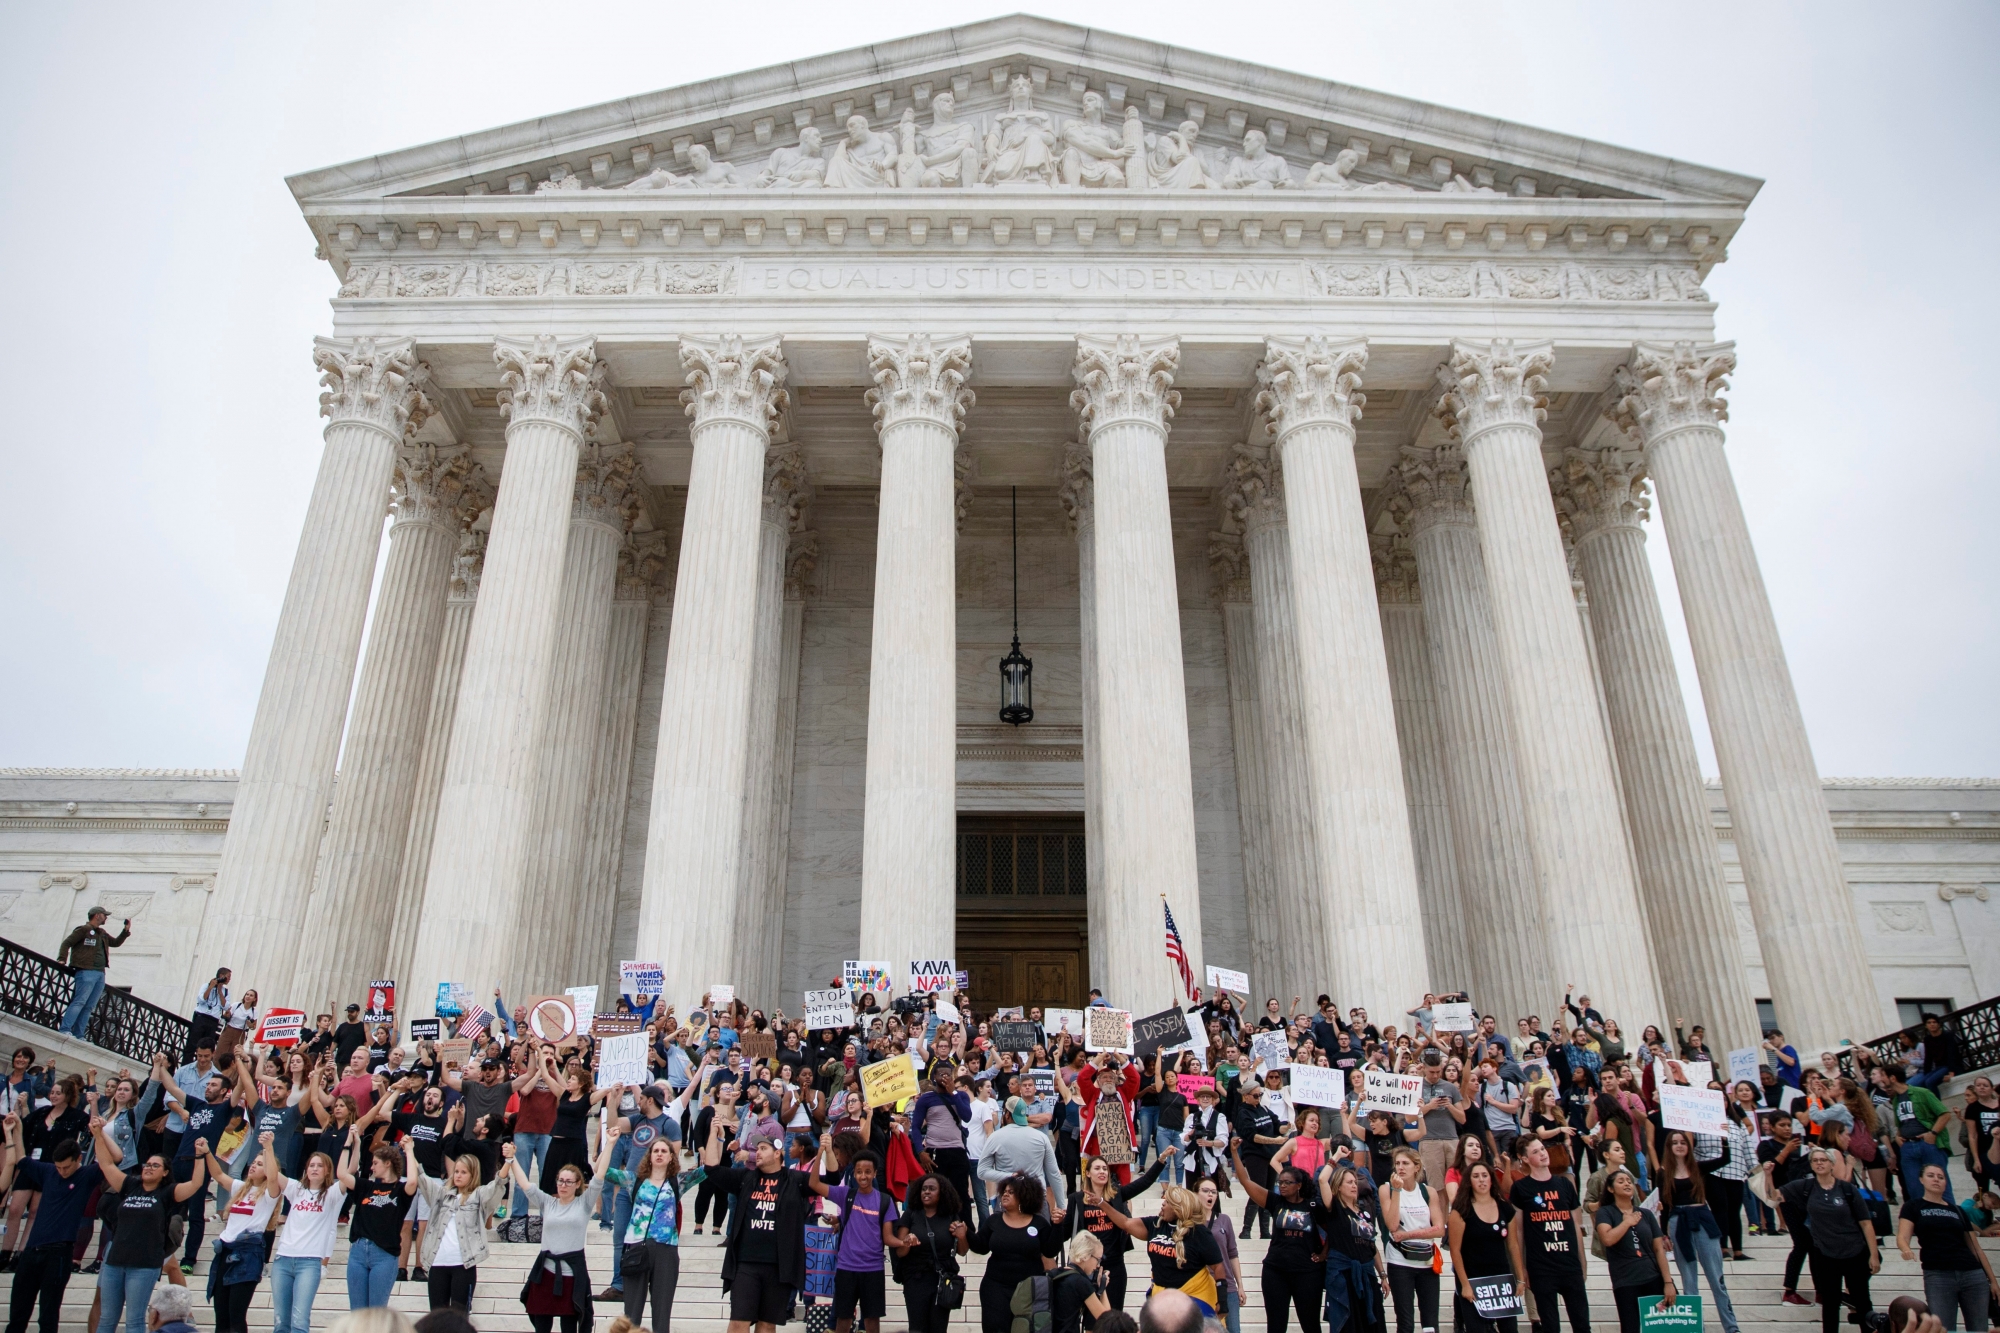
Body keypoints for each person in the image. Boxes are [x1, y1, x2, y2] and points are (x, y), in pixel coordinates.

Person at [699, 1090, 835, 1333]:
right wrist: (713, 1135)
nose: (757, 1152)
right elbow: (712, 1170)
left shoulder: (794, 1180)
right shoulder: (746, 1178)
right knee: (738, 1323)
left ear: (778, 1152)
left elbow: (831, 1179)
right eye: (756, 1148)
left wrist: (829, 1150)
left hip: (779, 1266)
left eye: (762, 1148)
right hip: (746, 1265)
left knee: (766, 1326)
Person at [88, 1117, 208, 1333]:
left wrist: (200, 1155)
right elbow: (106, 1164)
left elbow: (196, 1183)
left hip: (144, 1263)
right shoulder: (130, 1185)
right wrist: (98, 1135)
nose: (148, 1168)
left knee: (134, 1319)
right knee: (107, 1318)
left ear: (164, 1172)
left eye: (155, 1165)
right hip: (115, 1260)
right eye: (147, 1164)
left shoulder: (167, 1192)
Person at [503, 1124, 616, 1333]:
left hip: (571, 1273)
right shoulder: (547, 1202)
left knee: (569, 1326)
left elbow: (599, 1177)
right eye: (560, 1181)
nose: (563, 1185)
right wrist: (511, 1160)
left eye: (568, 1182)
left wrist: (609, 1144)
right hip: (545, 1272)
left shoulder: (584, 1203)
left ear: (577, 1184)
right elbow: (525, 1184)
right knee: (542, 1324)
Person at [3, 1110, 97, 1333]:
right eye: (59, 1166)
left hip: (59, 1253)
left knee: (48, 1316)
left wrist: (99, 1135)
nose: (62, 1171)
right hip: (32, 1251)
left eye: (66, 1166)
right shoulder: (48, 1172)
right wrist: (16, 1128)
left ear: (78, 1160)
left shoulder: (85, 1176)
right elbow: (22, 1160)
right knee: (17, 1314)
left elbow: (115, 1160)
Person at [604, 1127, 700, 1331]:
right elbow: (601, 1172)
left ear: (671, 1157)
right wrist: (610, 1144)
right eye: (655, 1151)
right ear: (649, 1156)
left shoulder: (678, 1182)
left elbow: (708, 1169)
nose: (659, 1154)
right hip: (636, 1246)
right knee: (631, 1313)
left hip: (666, 1248)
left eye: (664, 1151)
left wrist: (715, 1135)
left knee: (662, 1312)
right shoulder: (633, 1180)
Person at [1782, 1145, 1880, 1333]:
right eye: (1815, 1160)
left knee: (1862, 1300)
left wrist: (1873, 1255)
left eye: (1823, 1160)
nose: (1819, 1163)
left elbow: (1866, 1223)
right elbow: (1774, 1196)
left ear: (1832, 1164)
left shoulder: (1847, 1189)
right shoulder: (1806, 1187)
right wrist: (1768, 1175)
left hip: (1854, 1251)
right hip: (1825, 1254)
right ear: (1811, 1165)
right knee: (1830, 1303)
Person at [404, 1136, 507, 1313]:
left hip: (463, 1264)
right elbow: (422, 1178)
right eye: (457, 1171)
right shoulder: (441, 1194)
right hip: (437, 1263)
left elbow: (497, 1185)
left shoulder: (479, 1196)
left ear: (473, 1174)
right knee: (436, 1319)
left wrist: (509, 1160)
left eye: (463, 1172)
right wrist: (409, 1150)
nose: (458, 1175)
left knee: (459, 1319)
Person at [1898, 1160, 1999, 1331]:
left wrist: (1993, 1281)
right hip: (1938, 1274)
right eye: (1931, 1176)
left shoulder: (1957, 1210)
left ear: (1946, 1182)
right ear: (1921, 1179)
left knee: (1979, 1328)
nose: (1936, 1179)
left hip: (1972, 1273)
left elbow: (1976, 1248)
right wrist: (1905, 1249)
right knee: (1943, 1327)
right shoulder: (1913, 1206)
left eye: (1941, 1177)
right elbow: (1902, 1236)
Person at [1656, 1129, 1740, 1333]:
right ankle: (1695, 1327)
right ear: (1669, 1147)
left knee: (1716, 1278)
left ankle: (1731, 1327)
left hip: (1702, 1217)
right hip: (1678, 1222)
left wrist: (1724, 1138)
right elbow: (1665, 1206)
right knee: (1689, 1279)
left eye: (1682, 1142)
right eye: (1675, 1142)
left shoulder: (1698, 1168)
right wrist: (1663, 1233)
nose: (1679, 1145)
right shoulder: (1663, 1173)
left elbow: (1724, 1159)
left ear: (1689, 1145)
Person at [1506, 1137, 1588, 1333]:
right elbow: (1517, 1231)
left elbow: (1576, 1226)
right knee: (1550, 1326)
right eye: (1535, 1151)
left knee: (1583, 1325)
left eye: (1542, 1149)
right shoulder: (1521, 1188)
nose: (1543, 1153)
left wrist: (1582, 1261)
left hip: (1569, 1264)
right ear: (1524, 1158)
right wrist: (1521, 1269)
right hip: (1542, 1268)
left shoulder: (1565, 1184)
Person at [1074, 1150, 1172, 1310]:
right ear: (1088, 1173)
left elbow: (1145, 1181)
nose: (1102, 1172)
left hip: (1114, 1264)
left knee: (1115, 1315)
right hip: (1087, 1265)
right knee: (1091, 1321)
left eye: (1105, 1169)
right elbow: (1065, 1232)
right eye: (1097, 1168)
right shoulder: (1076, 1199)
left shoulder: (1117, 1195)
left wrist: (1161, 1160)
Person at [968, 1173, 1064, 1333]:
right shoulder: (994, 1221)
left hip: (1029, 1289)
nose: (1005, 1194)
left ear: (1024, 1195)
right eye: (1004, 1191)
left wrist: (1058, 1226)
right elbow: (981, 1247)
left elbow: (1050, 1250)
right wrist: (966, 1232)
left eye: (1011, 1192)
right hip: (995, 1287)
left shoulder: (1039, 1222)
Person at [1593, 1167, 1677, 1333]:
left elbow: (1659, 1250)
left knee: (1661, 1328)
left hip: (1652, 1277)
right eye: (1621, 1181)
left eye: (1629, 1181)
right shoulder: (1606, 1212)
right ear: (1610, 1189)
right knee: (1630, 1328)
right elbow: (1608, 1239)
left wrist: (1668, 1282)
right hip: (1625, 1281)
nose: (1627, 1184)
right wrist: (1626, 1222)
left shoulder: (1646, 1214)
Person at [1447, 1161, 1525, 1333]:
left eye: (1485, 1176)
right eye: (1476, 1176)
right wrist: (1465, 1285)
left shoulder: (1505, 1207)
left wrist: (1519, 1278)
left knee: (1510, 1329)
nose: (1481, 1180)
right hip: (1473, 1280)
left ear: (1491, 1180)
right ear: (1469, 1181)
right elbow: (1455, 1251)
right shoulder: (1460, 1210)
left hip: (1501, 1279)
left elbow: (1513, 1245)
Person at [891, 1172, 970, 1333]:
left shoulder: (950, 1216)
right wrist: (907, 1241)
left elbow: (962, 1251)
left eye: (932, 1189)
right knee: (917, 1328)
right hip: (916, 1279)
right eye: (924, 1189)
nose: (926, 1192)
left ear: (942, 1193)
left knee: (938, 1328)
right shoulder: (911, 1214)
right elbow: (900, 1252)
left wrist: (962, 1236)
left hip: (942, 1281)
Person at [338, 1139, 411, 1310]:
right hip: (358, 1252)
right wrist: (350, 1144)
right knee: (358, 1313)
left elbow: (413, 1182)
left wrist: (409, 1150)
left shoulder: (401, 1190)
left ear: (387, 1164)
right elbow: (342, 1174)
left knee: (377, 1313)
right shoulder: (366, 1187)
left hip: (384, 1254)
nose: (372, 1167)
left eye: (375, 1163)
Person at [1380, 1148, 1443, 1333]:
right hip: (1400, 1261)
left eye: (1405, 1163)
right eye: (1397, 1164)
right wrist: (1396, 1191)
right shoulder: (1386, 1189)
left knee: (1431, 1322)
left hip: (1426, 1260)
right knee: (1405, 1321)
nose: (1400, 1167)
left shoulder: (1428, 1191)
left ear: (1417, 1167)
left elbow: (1439, 1229)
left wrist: (1408, 1234)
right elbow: (1392, 1226)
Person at [1886, 1064, 1958, 1205]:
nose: (1880, 1079)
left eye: (1883, 1075)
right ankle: (1926, 1222)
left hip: (1928, 1144)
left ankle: (1952, 1220)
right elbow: (1901, 1123)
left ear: (1892, 1078)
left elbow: (1945, 1114)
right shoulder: (1895, 1100)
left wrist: (1933, 1133)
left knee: (1940, 1187)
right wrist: (1898, 1137)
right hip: (1908, 1147)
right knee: (1915, 1189)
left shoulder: (1922, 1092)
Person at [56, 908, 130, 1040]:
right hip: (85, 970)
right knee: (80, 1001)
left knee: (89, 1006)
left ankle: (79, 1034)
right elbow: (67, 943)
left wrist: (125, 931)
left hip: (100, 973)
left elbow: (116, 943)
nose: (106, 917)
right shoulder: (84, 929)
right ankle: (65, 1029)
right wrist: (62, 959)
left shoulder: (102, 933)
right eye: (104, 915)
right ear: (97, 916)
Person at [186, 971, 230, 1061]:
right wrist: (210, 987)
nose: (229, 979)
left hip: (213, 1020)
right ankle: (185, 1066)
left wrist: (220, 991)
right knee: (192, 1044)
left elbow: (226, 1006)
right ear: (221, 975)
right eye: (228, 976)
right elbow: (201, 1000)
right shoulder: (206, 985)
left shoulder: (225, 991)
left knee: (207, 1046)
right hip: (201, 1017)